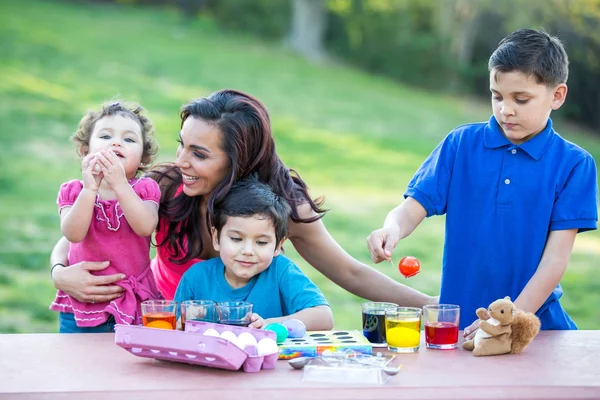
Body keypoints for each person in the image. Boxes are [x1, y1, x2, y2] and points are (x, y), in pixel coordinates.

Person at [50, 89, 436, 316]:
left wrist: (429, 303)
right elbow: (90, 220)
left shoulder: (277, 205)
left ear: (238, 162)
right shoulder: (165, 186)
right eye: (182, 143)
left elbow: (350, 273)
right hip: (173, 331)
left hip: (250, 338)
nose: (181, 160)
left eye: (199, 154)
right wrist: (58, 271)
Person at [367, 28, 598, 337]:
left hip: (534, 329)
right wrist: (391, 228)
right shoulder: (460, 144)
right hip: (460, 327)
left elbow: (555, 262)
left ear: (557, 95)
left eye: (521, 99)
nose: (506, 109)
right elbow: (410, 209)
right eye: (497, 96)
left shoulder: (574, 164)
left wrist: (508, 320)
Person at [50, 101, 162, 333]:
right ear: (85, 151)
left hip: (132, 303)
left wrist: (120, 184)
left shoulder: (144, 189)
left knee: (129, 366)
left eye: (129, 139)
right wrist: (90, 190)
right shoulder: (73, 191)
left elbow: (145, 226)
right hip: (80, 306)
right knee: (78, 363)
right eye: (105, 136)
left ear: (143, 158)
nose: (117, 142)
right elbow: (73, 234)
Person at [174, 176, 333, 330]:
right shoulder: (196, 278)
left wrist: (270, 324)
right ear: (216, 238)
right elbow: (177, 328)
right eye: (236, 239)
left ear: (278, 245)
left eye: (261, 242)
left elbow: (324, 317)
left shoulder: (281, 271)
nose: (248, 251)